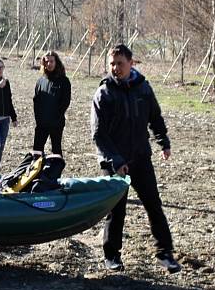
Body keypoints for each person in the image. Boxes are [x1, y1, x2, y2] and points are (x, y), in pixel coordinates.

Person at [91, 44, 181, 274]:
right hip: (114, 162)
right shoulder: (104, 93)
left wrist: (164, 142)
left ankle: (165, 253)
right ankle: (111, 256)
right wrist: (116, 161)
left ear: (131, 63)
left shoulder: (144, 89)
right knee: (116, 210)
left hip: (141, 157)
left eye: (120, 63)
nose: (115, 68)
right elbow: (98, 134)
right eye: (112, 64)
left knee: (153, 205)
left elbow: (155, 117)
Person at [32, 51, 71, 156]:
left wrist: (56, 117)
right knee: (37, 150)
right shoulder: (41, 81)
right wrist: (38, 118)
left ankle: (56, 172)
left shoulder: (64, 81)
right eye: (46, 61)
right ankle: (37, 172)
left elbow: (65, 101)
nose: (49, 64)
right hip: (41, 123)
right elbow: (36, 100)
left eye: (51, 61)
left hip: (56, 123)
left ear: (56, 62)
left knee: (56, 150)